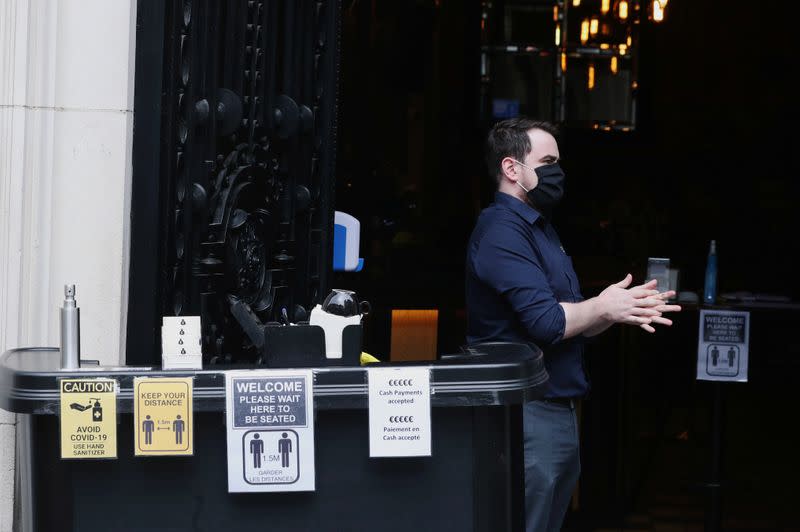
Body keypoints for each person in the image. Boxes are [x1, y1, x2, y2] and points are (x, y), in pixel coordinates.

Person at [465, 117, 681, 532]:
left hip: (554, 410)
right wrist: (602, 306)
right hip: (525, 416)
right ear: (512, 169)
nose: (557, 173)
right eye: (547, 162)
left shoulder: (540, 229)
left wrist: (618, 309)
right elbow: (547, 322)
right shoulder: (501, 231)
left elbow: (572, 316)